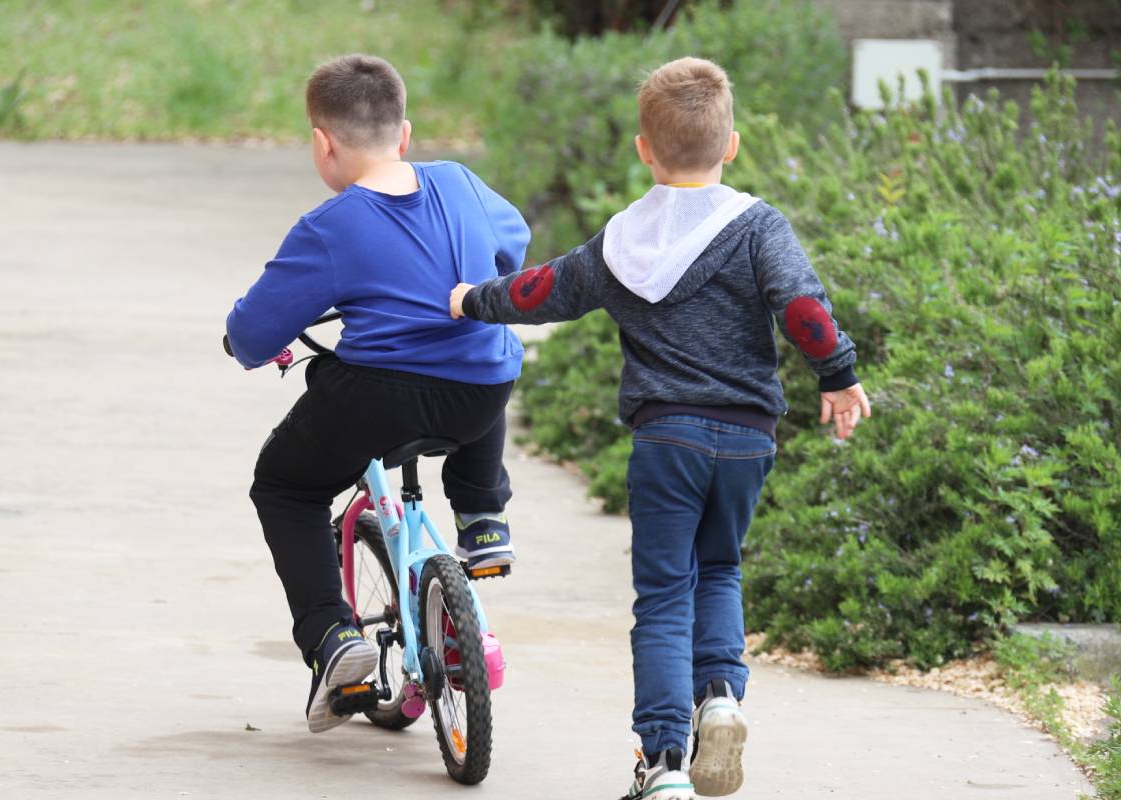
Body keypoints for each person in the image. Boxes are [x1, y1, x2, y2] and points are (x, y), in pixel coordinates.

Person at [450, 57, 871, 799]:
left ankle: (665, 761)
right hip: (746, 438)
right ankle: (721, 696)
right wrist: (837, 373)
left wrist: (470, 300)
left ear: (644, 149)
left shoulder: (621, 242)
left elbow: (540, 291)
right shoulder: (757, 227)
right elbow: (802, 308)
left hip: (665, 439)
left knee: (664, 595)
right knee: (722, 568)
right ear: (731, 144)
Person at [225, 54, 528, 734]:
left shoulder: (331, 226)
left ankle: (333, 639)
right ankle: (483, 525)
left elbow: (252, 335)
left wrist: (240, 340)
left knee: (285, 486)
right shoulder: (461, 182)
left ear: (322, 144)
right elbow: (515, 244)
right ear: (405, 133)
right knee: (490, 360)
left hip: (380, 396)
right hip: (481, 388)